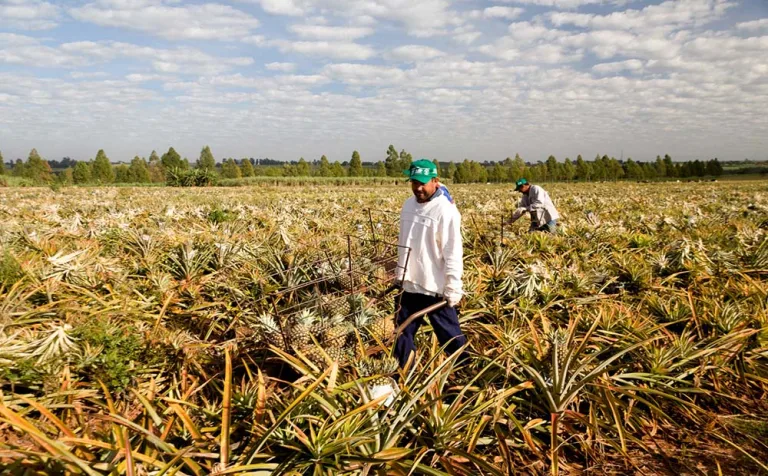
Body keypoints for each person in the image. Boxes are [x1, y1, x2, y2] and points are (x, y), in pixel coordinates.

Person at [394, 159, 468, 369]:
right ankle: (404, 372)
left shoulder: (445, 210)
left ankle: (465, 372)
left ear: (435, 181)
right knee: (402, 332)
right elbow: (405, 241)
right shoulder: (408, 204)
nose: (418, 187)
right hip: (409, 282)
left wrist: (454, 286)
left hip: (434, 286)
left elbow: (453, 251)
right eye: (414, 182)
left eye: (423, 183)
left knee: (450, 336)